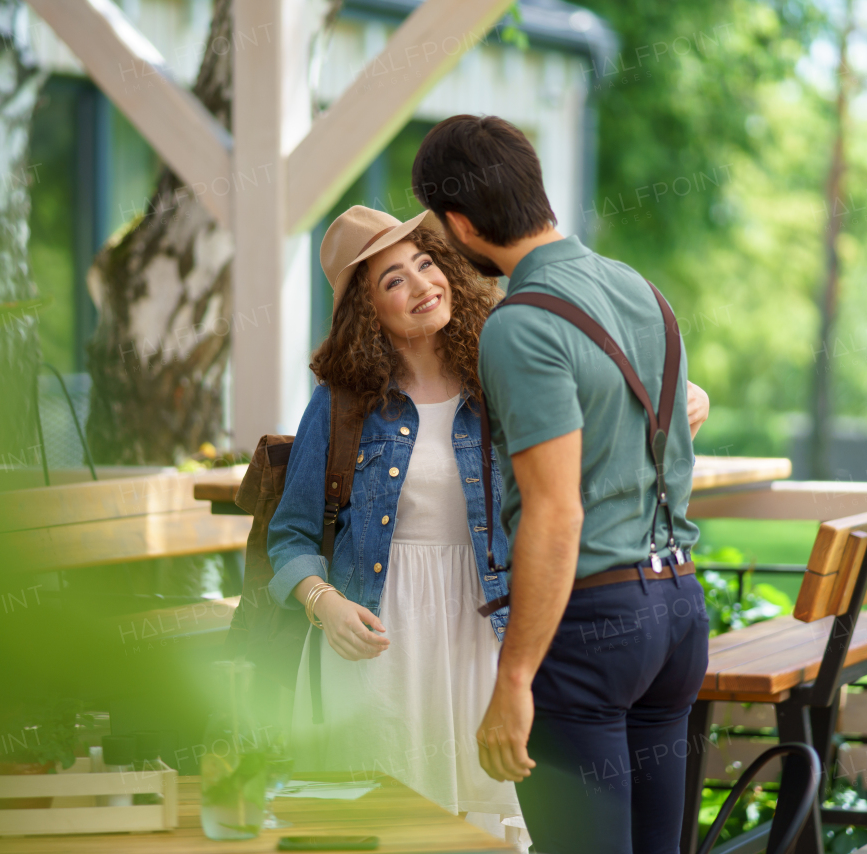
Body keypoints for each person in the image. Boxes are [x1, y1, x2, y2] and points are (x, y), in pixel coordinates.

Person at [265, 204, 710, 849]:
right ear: (367, 311)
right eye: (393, 280)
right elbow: (292, 534)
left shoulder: (499, 372)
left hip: (490, 633)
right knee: (388, 826)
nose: (421, 286)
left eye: (426, 263)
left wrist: (686, 397)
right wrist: (322, 603)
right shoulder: (340, 404)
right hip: (380, 646)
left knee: (495, 822)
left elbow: (589, 435)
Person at [412, 115, 711, 854]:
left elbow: (554, 512)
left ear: (459, 224)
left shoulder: (519, 326)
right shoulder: (641, 290)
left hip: (592, 632)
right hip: (676, 612)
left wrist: (513, 678)